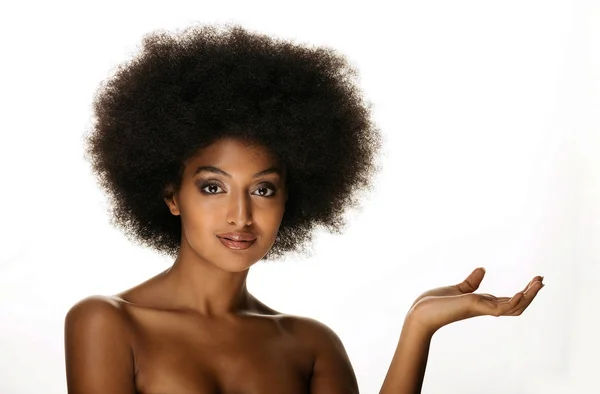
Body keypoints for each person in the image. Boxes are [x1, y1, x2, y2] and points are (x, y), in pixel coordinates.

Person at [64, 25, 544, 394]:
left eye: (264, 190)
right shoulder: (106, 322)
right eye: (213, 187)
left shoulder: (309, 344)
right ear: (172, 195)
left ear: (291, 197)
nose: (240, 215)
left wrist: (419, 324)